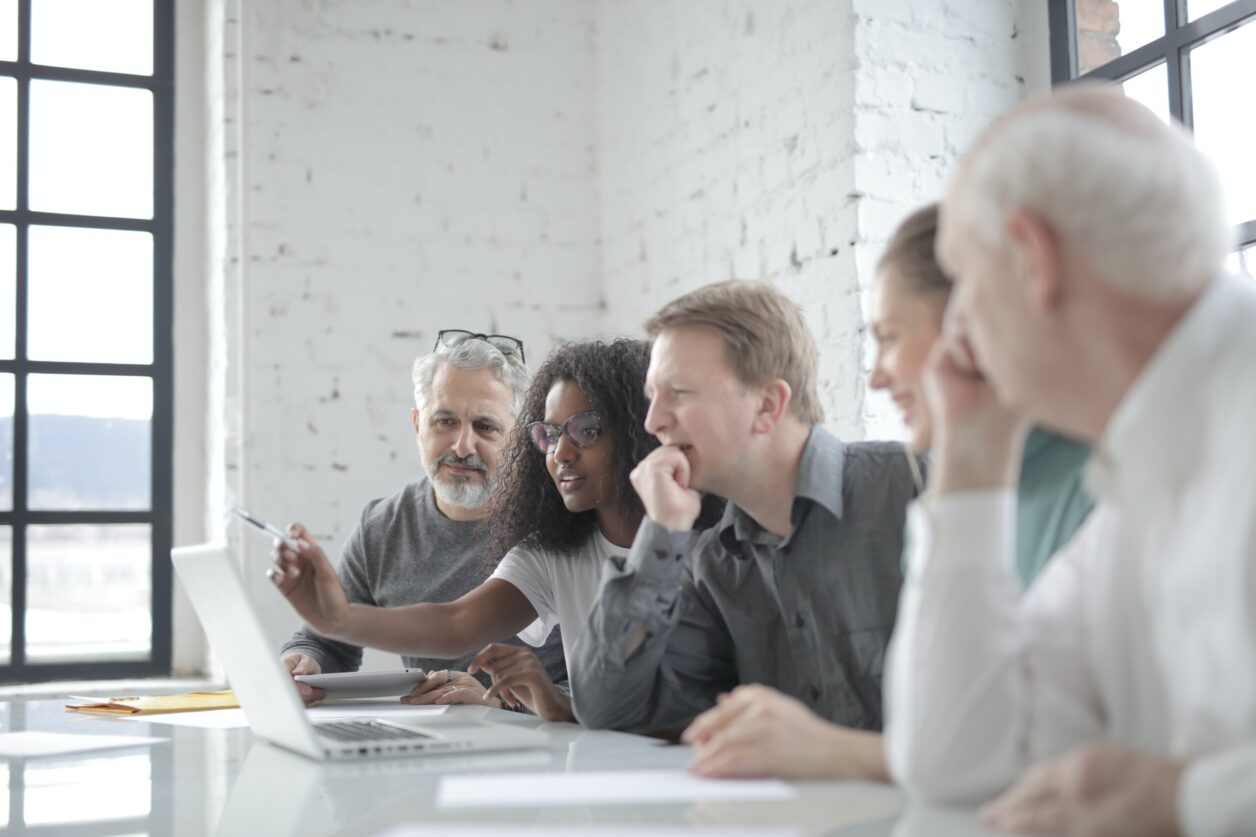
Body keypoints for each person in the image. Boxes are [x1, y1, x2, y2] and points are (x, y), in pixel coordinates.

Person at [884, 85, 1254, 837]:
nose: (960, 326)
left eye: (968, 278)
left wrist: (1190, 802)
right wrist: (973, 456)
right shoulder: (1133, 491)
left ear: (1031, 258)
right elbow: (956, 760)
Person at [679, 205, 1097, 781]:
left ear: (971, 325)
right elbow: (952, 736)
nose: (875, 376)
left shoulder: (1099, 486)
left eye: (890, 336)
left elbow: (1039, 757)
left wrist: (827, 750)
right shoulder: (947, 500)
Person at [270, 340, 720, 720]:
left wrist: (540, 703)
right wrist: (332, 619)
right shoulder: (551, 551)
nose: (561, 452)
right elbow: (456, 623)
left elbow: (684, 699)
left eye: (586, 430)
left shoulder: (712, 544)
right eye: (549, 435)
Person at [571, 280, 921, 769]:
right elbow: (605, 706)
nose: (652, 421)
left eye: (679, 393)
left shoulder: (918, 489)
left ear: (767, 406)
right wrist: (662, 528)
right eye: (652, 396)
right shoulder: (710, 565)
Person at [279, 331, 565, 705]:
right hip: (431, 744)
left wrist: (500, 703)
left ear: (518, 439)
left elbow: (608, 691)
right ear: (417, 424)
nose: (462, 447)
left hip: (549, 750)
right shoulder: (383, 529)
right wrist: (303, 662)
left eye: (486, 427)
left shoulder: (560, 525)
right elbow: (326, 641)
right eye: (444, 422)